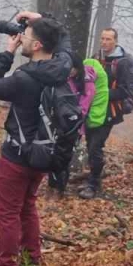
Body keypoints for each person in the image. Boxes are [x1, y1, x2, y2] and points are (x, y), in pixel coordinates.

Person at [0, 16, 70, 266]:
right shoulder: (60, 72)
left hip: (16, 157)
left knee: (9, 214)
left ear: (37, 45)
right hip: (42, 155)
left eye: (27, 35)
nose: (22, 37)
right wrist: (43, 20)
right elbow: (64, 46)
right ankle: (32, 261)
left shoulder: (23, 78)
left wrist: (7, 53)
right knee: (28, 208)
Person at [82, 27, 133, 199]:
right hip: (93, 108)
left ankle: (93, 185)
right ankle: (93, 180)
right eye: (102, 39)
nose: (105, 42)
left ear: (115, 41)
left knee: (95, 146)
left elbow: (129, 89)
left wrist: (104, 95)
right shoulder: (96, 57)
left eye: (108, 39)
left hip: (110, 110)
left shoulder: (125, 61)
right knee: (90, 144)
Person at [47, 52, 95, 196]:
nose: (69, 71)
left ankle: (60, 187)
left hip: (74, 126)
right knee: (53, 153)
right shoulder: (64, 78)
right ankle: (52, 184)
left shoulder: (87, 82)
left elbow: (84, 106)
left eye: (72, 68)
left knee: (65, 156)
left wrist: (74, 119)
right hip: (58, 122)